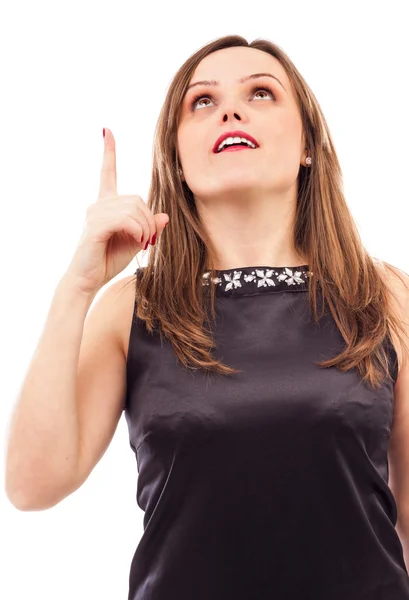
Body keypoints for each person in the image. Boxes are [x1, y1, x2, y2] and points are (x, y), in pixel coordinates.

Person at [5, 34, 409, 599]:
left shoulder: (382, 295)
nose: (231, 110)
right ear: (176, 154)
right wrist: (79, 284)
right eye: (202, 102)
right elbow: (32, 485)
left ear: (308, 145)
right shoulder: (133, 309)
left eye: (261, 93)